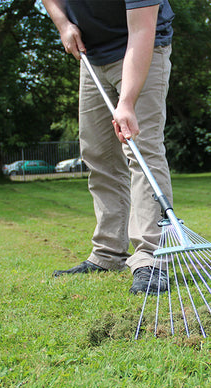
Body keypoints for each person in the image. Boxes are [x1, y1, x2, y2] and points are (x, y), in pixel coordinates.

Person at [42, 0, 175, 294]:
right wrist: (63, 24)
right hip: (93, 56)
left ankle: (152, 258)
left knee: (142, 150)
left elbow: (142, 31)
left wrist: (126, 103)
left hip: (142, 48)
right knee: (98, 154)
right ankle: (108, 253)